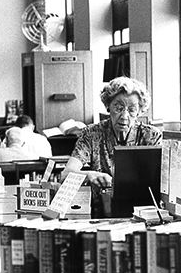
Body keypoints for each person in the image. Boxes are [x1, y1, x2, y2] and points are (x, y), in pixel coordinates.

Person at [62, 76, 162, 214]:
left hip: (144, 211)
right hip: (101, 211)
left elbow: (162, 181)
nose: (124, 116)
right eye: (118, 107)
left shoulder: (151, 136)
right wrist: (90, 175)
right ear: (108, 106)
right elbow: (66, 174)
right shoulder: (91, 134)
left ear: (139, 111)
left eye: (132, 109)